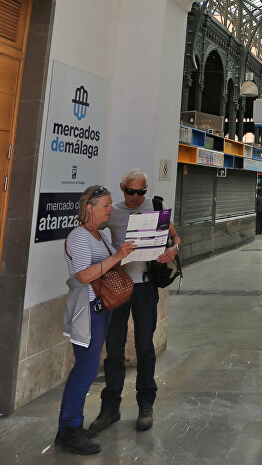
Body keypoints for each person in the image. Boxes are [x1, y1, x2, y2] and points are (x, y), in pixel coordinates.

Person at [89, 170, 180, 437]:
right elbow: (90, 230)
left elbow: (176, 238)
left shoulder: (157, 207)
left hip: (145, 288)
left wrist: (172, 250)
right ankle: (110, 408)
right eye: (131, 192)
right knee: (114, 348)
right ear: (122, 188)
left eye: (141, 192)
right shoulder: (113, 212)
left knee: (144, 347)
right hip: (117, 288)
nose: (136, 197)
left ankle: (145, 405)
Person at [57, 185, 136, 455]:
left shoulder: (100, 236)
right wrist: (116, 256)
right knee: (86, 370)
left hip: (101, 308)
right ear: (89, 208)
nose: (110, 209)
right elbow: (82, 276)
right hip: (87, 309)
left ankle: (68, 428)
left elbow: (110, 265)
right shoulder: (79, 236)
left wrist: (128, 253)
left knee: (86, 369)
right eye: (105, 205)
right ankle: (70, 430)